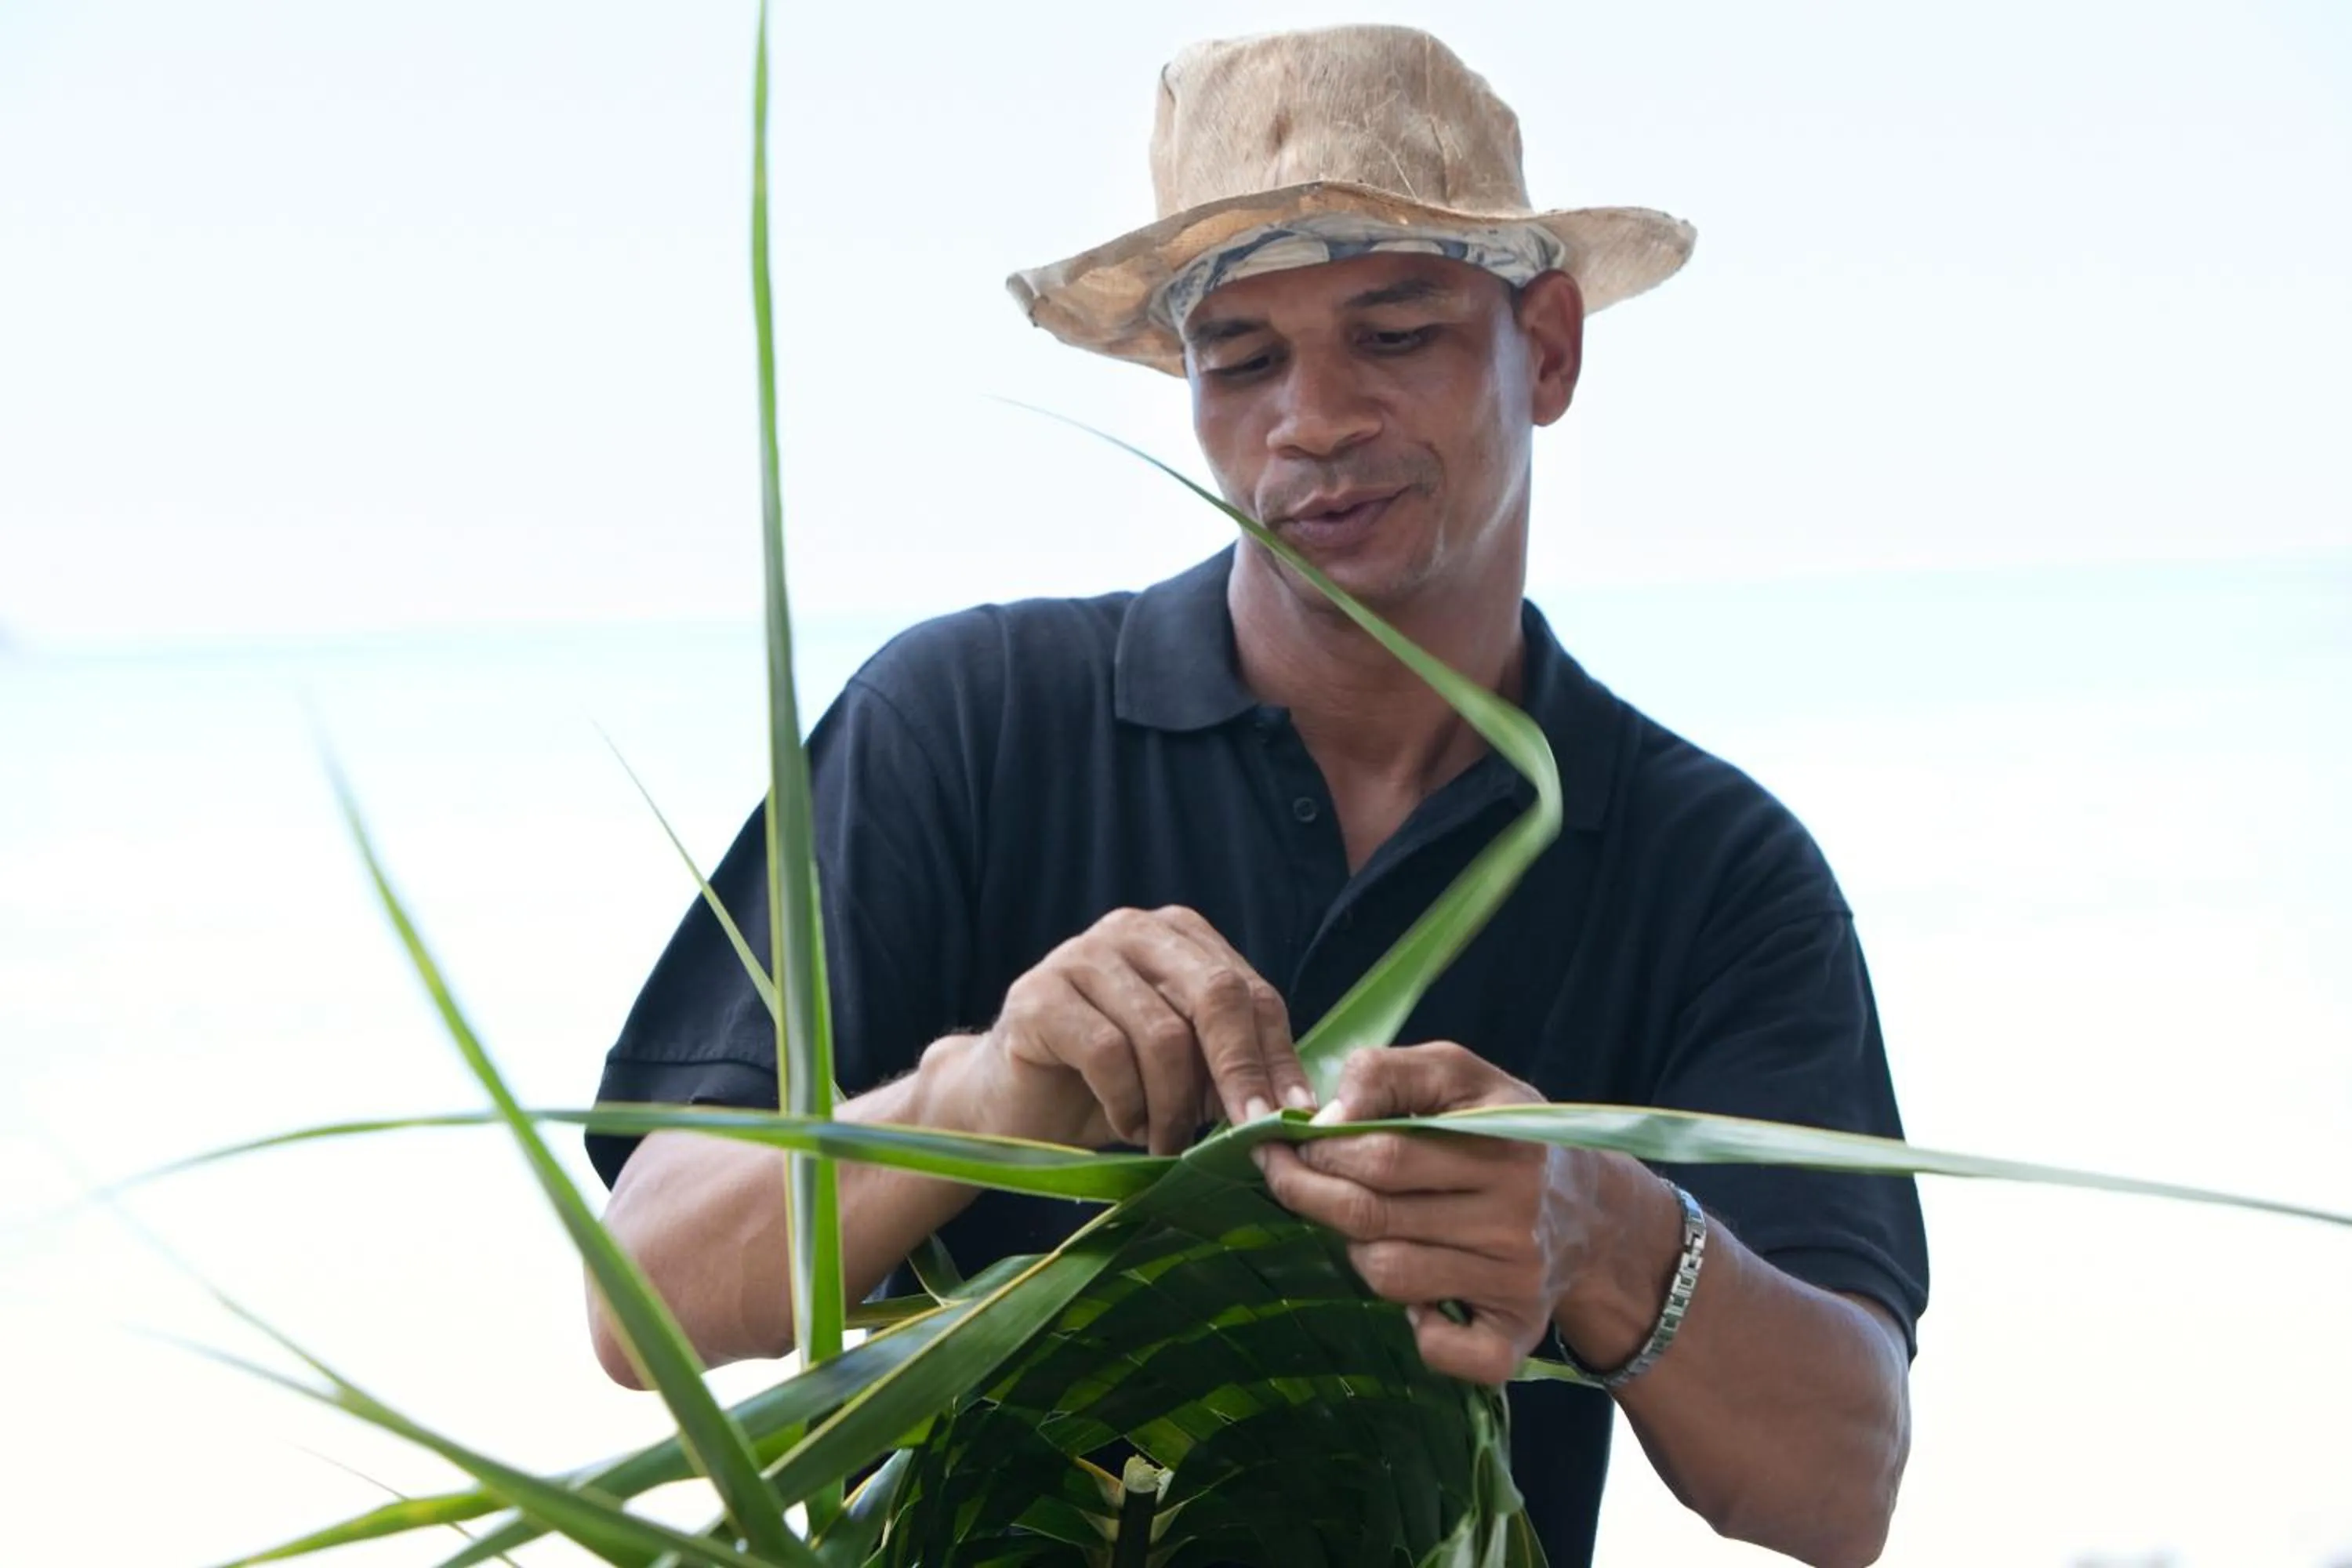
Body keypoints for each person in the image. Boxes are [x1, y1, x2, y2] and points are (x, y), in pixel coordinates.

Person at [585, 24, 1927, 1568]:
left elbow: (1846, 1482)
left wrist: (1606, 1233)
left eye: (1397, 333)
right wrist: (977, 1100)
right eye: (1244, 357)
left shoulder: (1710, 863)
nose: (1315, 419)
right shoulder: (967, 720)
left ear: (1546, 347)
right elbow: (643, 1304)